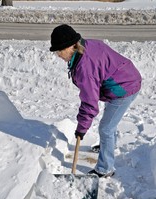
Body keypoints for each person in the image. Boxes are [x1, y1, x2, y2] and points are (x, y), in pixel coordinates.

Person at [50, 24, 142, 178]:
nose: (58, 55)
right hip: (125, 77)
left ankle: (105, 169)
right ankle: (108, 145)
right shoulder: (87, 46)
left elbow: (90, 103)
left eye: (60, 50)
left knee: (106, 128)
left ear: (72, 45)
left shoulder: (84, 67)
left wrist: (81, 129)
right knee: (109, 125)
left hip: (123, 88)